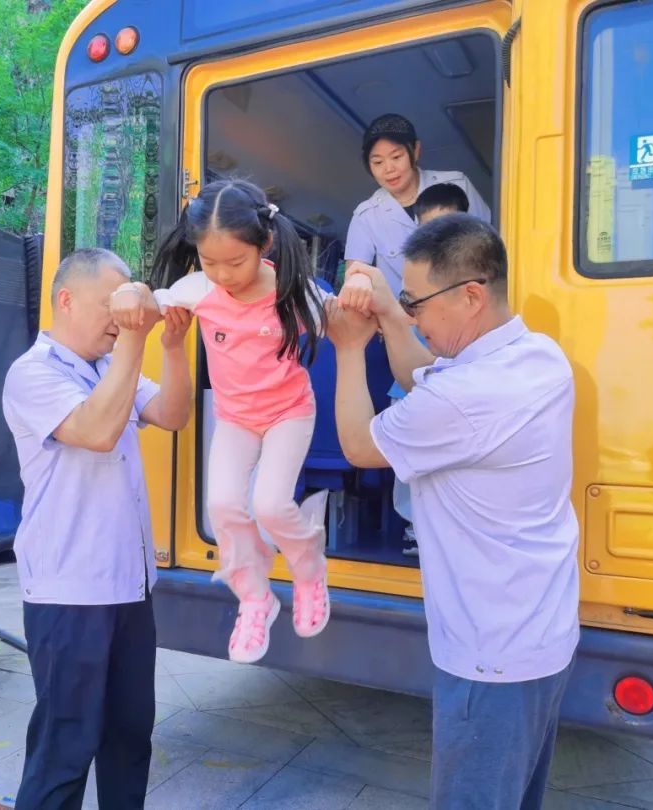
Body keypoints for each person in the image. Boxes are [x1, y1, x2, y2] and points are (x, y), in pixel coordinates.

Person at [333, 215, 580, 809]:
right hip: (540, 633)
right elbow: (422, 377)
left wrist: (346, 349)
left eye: (417, 300)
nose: (412, 313)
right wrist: (393, 316)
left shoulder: (468, 396)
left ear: (470, 295)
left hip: (488, 655)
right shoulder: (537, 355)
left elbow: (361, 446)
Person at [109, 178, 331, 665]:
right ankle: (255, 597)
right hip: (236, 418)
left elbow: (345, 318)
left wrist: (360, 286)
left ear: (265, 244)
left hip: (289, 412)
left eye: (236, 262)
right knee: (224, 507)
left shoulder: (294, 293)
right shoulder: (199, 290)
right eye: (210, 262)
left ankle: (309, 566)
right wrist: (128, 288)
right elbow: (148, 298)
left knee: (271, 505)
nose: (224, 274)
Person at [2, 247, 192, 810]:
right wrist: (135, 337)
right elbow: (98, 429)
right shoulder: (31, 374)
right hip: (69, 591)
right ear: (66, 300)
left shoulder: (112, 366)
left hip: (129, 588)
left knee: (129, 738)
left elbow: (174, 415)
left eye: (124, 303)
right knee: (66, 746)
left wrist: (174, 347)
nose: (120, 316)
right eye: (111, 303)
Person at [388, 182, 472, 555]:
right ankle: (413, 528)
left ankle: (444, 529)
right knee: (406, 465)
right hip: (406, 386)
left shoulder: (477, 280)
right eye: (427, 228)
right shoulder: (411, 279)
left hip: (455, 386)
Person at [345, 113, 491, 297]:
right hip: (406, 322)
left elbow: (488, 242)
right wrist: (360, 281)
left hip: (465, 307)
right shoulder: (366, 216)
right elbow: (355, 275)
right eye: (378, 162)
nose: (389, 169)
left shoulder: (457, 184)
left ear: (415, 150)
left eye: (396, 157)